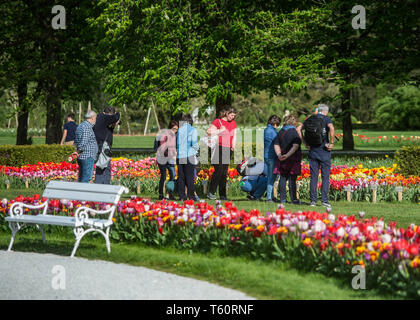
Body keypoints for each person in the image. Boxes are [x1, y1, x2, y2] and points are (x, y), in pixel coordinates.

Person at [297, 104, 335, 208]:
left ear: (318, 110)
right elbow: (331, 128)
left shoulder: (310, 118)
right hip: (324, 151)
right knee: (325, 177)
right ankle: (324, 201)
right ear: (326, 111)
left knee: (313, 177)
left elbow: (298, 129)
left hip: (313, 151)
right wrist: (331, 143)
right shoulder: (327, 119)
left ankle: (313, 201)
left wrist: (305, 143)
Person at [207, 107, 237, 201]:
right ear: (227, 113)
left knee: (224, 172)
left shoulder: (233, 123)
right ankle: (211, 192)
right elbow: (208, 132)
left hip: (228, 149)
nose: (233, 117)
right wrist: (220, 131)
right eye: (231, 115)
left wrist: (233, 146)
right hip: (217, 147)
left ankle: (223, 195)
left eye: (234, 116)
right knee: (218, 170)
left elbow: (234, 135)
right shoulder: (218, 121)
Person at [273, 114, 302, 204]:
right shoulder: (293, 132)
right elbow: (296, 145)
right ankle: (293, 199)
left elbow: (276, 144)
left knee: (282, 178)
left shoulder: (281, 131)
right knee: (292, 179)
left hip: (282, 158)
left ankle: (283, 199)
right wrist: (288, 155)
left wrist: (279, 155)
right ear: (294, 122)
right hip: (292, 158)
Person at [93, 106, 120, 184]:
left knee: (102, 167)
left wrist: (113, 126)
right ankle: (103, 188)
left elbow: (107, 130)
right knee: (103, 168)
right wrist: (117, 114)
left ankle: (102, 188)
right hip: (103, 146)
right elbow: (116, 117)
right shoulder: (104, 117)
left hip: (100, 145)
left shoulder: (100, 119)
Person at [176, 114, 199, 201]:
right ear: (190, 121)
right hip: (189, 155)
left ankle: (182, 196)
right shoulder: (193, 129)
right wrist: (198, 148)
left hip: (179, 156)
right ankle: (191, 196)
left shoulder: (179, 130)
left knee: (181, 177)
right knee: (189, 177)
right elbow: (194, 143)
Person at [156, 120, 178, 200]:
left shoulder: (174, 136)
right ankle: (161, 194)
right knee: (163, 176)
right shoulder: (164, 135)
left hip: (170, 158)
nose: (176, 131)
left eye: (176, 129)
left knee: (173, 175)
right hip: (162, 158)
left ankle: (169, 193)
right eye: (174, 129)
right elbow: (162, 148)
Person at [74, 110, 98, 183]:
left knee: (81, 177)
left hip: (82, 156)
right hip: (87, 156)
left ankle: (79, 193)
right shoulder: (87, 127)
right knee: (86, 178)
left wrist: (76, 151)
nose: (96, 120)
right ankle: (83, 194)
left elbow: (76, 141)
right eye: (96, 118)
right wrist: (79, 151)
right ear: (92, 117)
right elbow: (83, 142)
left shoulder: (80, 125)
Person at [264, 115, 281, 202]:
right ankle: (269, 198)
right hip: (272, 156)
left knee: (272, 176)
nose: (277, 126)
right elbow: (277, 142)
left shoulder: (267, 129)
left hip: (267, 155)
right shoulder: (272, 132)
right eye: (277, 124)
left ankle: (271, 196)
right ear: (274, 123)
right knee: (271, 177)